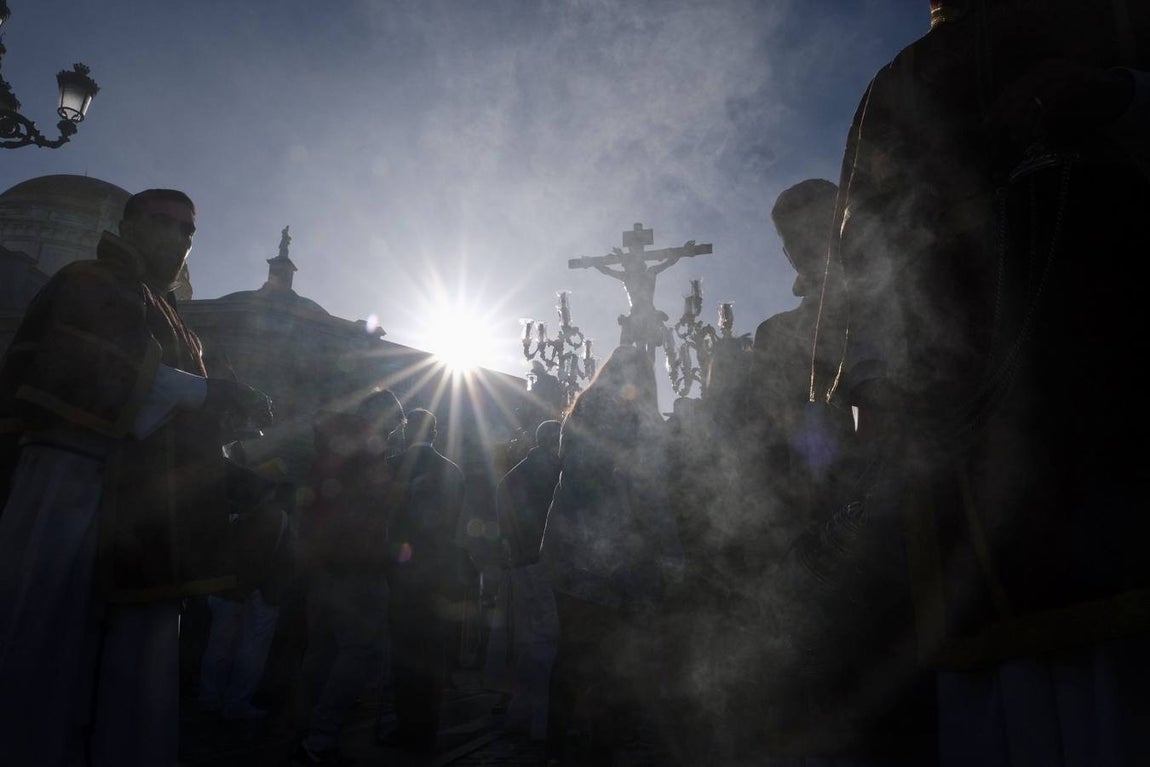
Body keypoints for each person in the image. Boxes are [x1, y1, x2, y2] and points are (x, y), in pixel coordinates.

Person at [812, 2, 1150, 764]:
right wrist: (863, 387)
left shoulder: (1119, 19)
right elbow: (863, 245)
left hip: (1114, 363)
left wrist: (1121, 94)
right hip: (960, 409)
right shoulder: (899, 82)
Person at [0, 188, 273, 767]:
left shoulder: (177, 321)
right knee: (47, 645)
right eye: (163, 223)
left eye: (188, 231)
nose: (177, 238)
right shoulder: (87, 281)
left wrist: (228, 464)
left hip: (141, 506)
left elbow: (179, 417)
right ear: (125, 225)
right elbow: (98, 365)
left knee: (130, 662)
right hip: (72, 480)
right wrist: (209, 392)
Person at [539, 345, 683, 766]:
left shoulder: (579, 414)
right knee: (615, 664)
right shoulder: (635, 419)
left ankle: (556, 747)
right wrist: (671, 555)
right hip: (613, 560)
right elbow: (649, 493)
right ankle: (599, 750)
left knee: (571, 656)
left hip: (568, 555)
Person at [294, 389, 406, 766]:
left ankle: (302, 728)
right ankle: (321, 736)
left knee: (321, 651)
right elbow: (371, 515)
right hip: (357, 567)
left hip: (323, 565)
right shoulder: (369, 452)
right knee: (360, 651)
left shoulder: (332, 446)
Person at [382, 408, 467, 754]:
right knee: (431, 654)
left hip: (404, 570)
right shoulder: (452, 471)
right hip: (438, 570)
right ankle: (425, 730)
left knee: (405, 654)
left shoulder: (392, 468)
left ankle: (406, 726)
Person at [494, 419, 561, 742]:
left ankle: (518, 715)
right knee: (549, 643)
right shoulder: (557, 474)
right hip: (549, 563)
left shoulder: (510, 477)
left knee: (525, 641)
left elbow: (503, 524)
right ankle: (541, 721)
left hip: (519, 564)